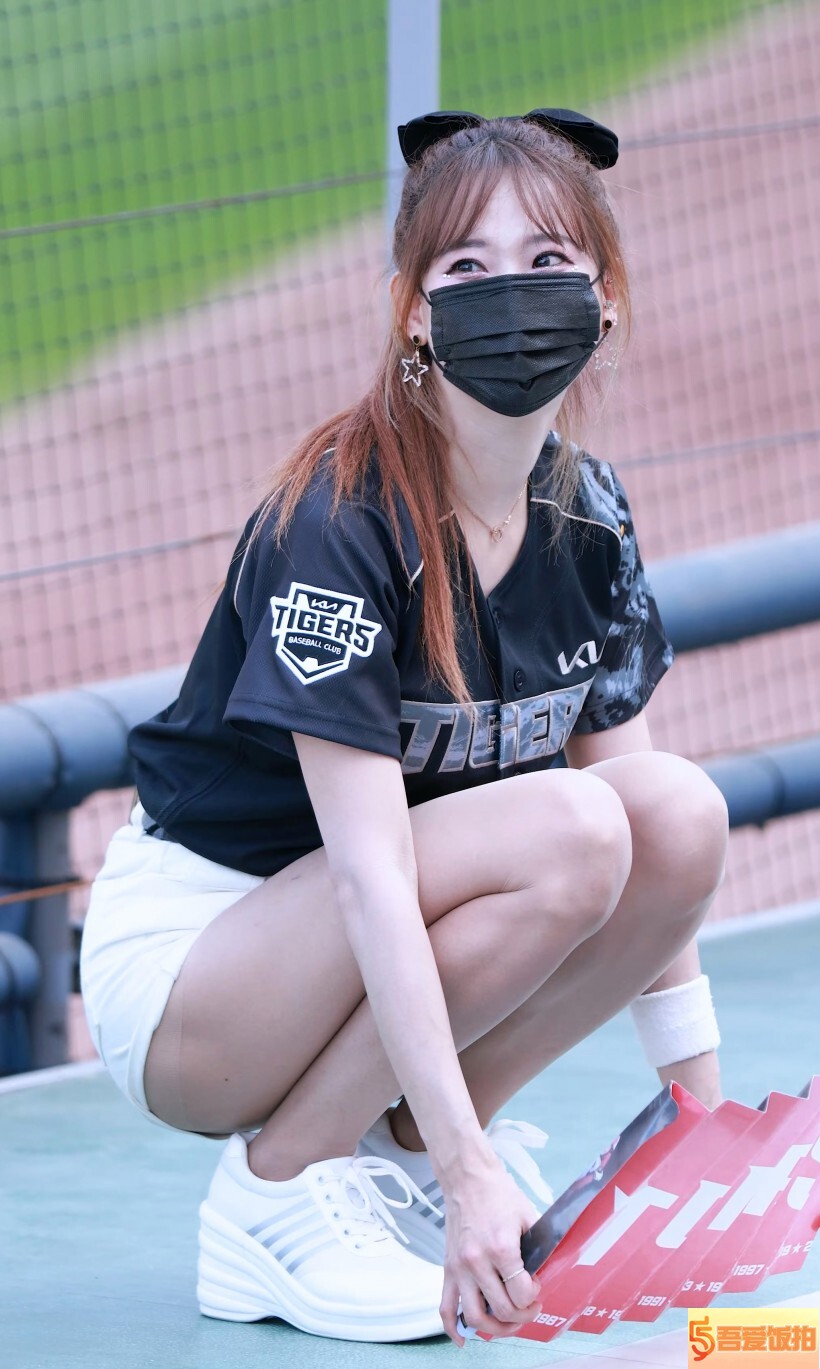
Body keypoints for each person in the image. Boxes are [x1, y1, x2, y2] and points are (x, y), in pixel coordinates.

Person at [80, 108, 729, 1346]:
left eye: (547, 261)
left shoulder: (587, 513)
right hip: (204, 974)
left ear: (604, 296)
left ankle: (399, 1158)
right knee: (572, 830)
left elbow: (654, 833)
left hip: (363, 949)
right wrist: (479, 1164)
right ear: (413, 315)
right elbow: (372, 875)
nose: (512, 296)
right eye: (466, 268)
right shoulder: (338, 519)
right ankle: (281, 1189)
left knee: (673, 816)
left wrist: (697, 1113)